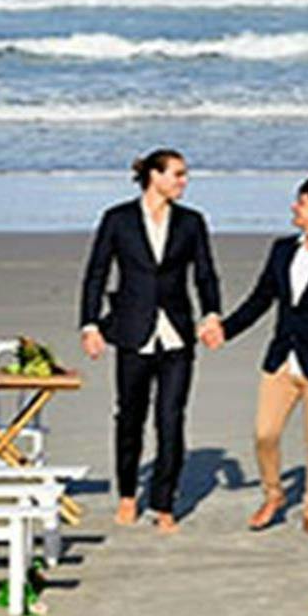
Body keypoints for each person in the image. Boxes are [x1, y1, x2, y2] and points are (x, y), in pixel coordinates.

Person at [78, 149, 222, 532]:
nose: (183, 181)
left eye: (184, 174)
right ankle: (128, 494)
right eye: (177, 174)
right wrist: (89, 325)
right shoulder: (118, 219)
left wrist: (211, 315)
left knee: (171, 420)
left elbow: (205, 274)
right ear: (154, 176)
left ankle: (163, 503)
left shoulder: (191, 222)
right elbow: (96, 273)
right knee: (130, 418)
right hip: (132, 331)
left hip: (176, 335)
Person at [218, 175, 308, 535]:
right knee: (264, 434)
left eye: (301, 202)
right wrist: (225, 329)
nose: (294, 208)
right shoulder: (283, 250)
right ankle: (274, 495)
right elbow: (261, 298)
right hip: (282, 358)